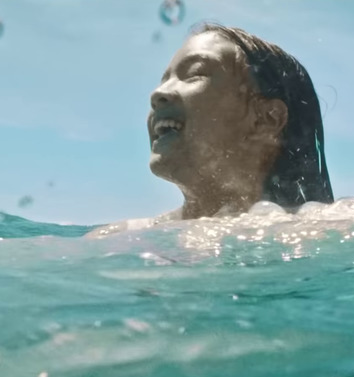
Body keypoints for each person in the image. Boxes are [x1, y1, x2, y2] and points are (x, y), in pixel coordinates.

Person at [97, 23, 333, 233]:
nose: (158, 94)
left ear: (266, 119)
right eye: (164, 79)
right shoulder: (121, 237)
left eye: (195, 74)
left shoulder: (321, 231)